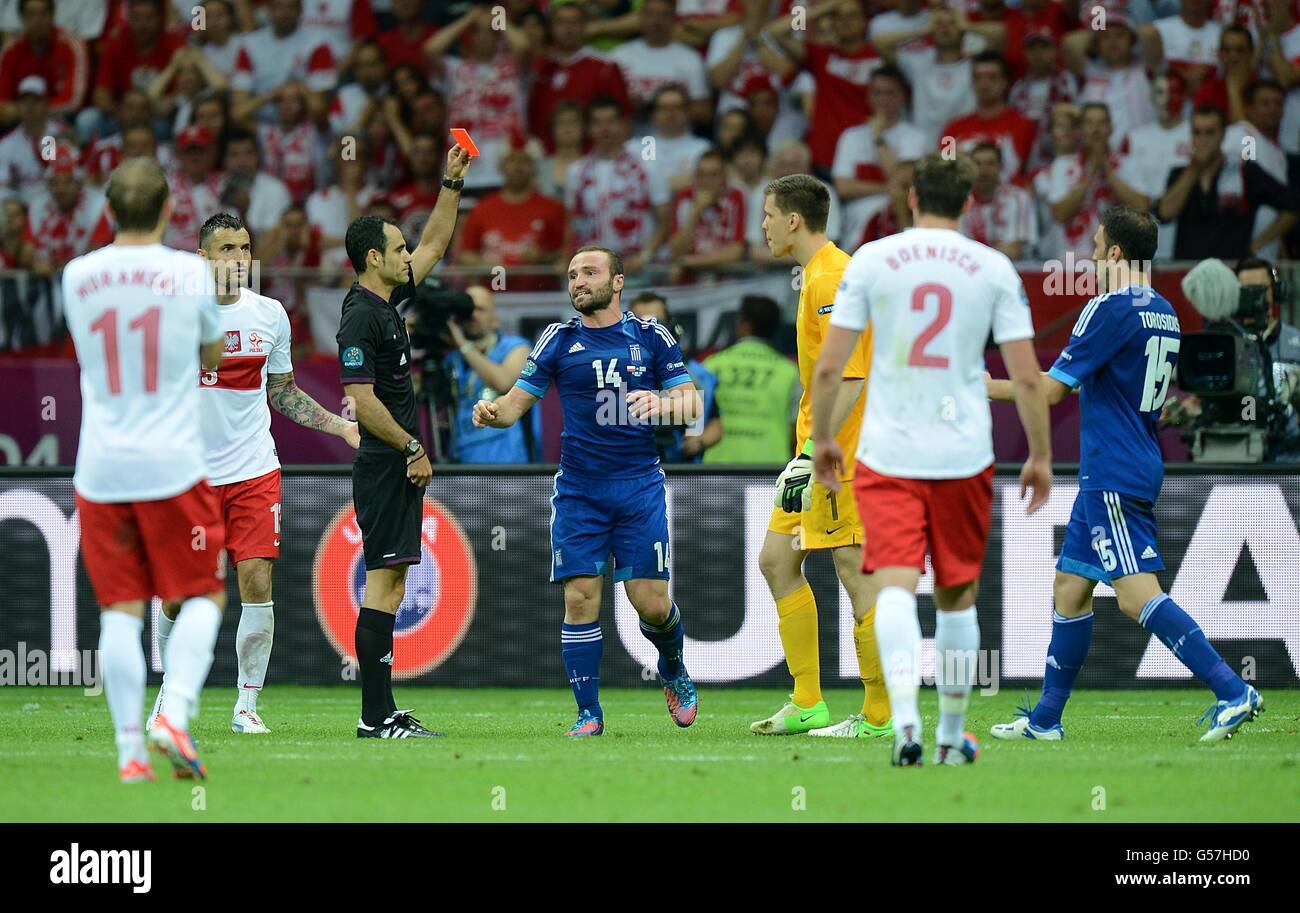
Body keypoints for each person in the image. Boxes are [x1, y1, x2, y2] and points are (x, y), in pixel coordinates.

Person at [810, 152, 1054, 766]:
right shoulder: (994, 268)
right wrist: (1042, 456)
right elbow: (1026, 378)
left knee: (892, 586)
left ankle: (906, 724)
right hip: (963, 452)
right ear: (971, 200)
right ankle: (949, 734)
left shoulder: (872, 259)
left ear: (911, 196)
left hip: (889, 451)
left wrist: (825, 438)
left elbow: (832, 365)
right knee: (956, 596)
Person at [986, 207, 1265, 742]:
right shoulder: (1163, 310)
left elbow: (1050, 391)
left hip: (1113, 469)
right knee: (1070, 587)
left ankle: (1233, 689)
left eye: (1096, 247)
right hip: (1128, 460)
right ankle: (1045, 720)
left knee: (1136, 595)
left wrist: (987, 384)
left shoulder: (1107, 308)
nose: (1090, 257)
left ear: (1116, 253)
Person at [471, 246, 703, 737]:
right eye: (572, 274)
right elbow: (514, 404)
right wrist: (492, 413)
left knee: (653, 605)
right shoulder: (557, 339)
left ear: (617, 282)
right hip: (579, 491)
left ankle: (672, 666)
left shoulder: (650, 335)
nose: (578, 281)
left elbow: (691, 405)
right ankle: (588, 714)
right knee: (580, 597)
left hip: (640, 487)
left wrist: (660, 403)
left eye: (590, 272)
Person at [146, 212, 359, 736]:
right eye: (226, 249)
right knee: (179, 592)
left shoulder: (269, 315)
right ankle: (169, 699)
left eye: (244, 248)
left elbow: (281, 391)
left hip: (253, 471)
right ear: (202, 258)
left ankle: (246, 705)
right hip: (189, 478)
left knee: (257, 579)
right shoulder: (173, 317)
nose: (238, 258)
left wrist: (338, 426)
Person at [63, 157, 227, 781]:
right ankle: (175, 713)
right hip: (173, 465)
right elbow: (211, 351)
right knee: (205, 593)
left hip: (100, 468)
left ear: (107, 211)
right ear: (168, 211)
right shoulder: (190, 273)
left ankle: (130, 752)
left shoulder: (77, 276)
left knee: (120, 611)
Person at [747, 173, 893, 740]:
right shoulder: (818, 275)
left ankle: (880, 717)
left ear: (792, 220)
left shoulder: (831, 276)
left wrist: (814, 452)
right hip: (819, 446)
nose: (761, 225)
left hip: (841, 453)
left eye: (767, 214)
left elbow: (852, 377)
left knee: (853, 570)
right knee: (776, 561)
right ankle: (807, 701)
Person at [335, 143, 470, 739]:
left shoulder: (388, 302)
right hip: (386, 463)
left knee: (390, 581)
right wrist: (413, 448)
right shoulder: (361, 315)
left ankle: (381, 714)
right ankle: (375, 716)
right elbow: (362, 403)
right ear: (372, 258)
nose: (407, 256)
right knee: (384, 581)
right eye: (396, 249)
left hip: (393, 463)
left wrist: (452, 181)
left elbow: (435, 243)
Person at [444, 285, 538, 464]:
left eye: (480, 309)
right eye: (468, 309)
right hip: (462, 471)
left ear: (495, 319)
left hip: (514, 469)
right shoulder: (452, 360)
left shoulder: (517, 347)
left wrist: (462, 344)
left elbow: (503, 381)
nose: (473, 314)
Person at [702, 295, 800, 464]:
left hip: (714, 467)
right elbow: (796, 429)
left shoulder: (710, 365)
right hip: (769, 470)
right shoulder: (790, 372)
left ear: (743, 323)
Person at [628, 291, 722, 463]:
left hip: (680, 472)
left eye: (657, 323)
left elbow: (716, 426)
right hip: (631, 469)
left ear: (672, 328)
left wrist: (699, 442)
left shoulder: (694, 375)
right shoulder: (613, 371)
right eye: (642, 323)